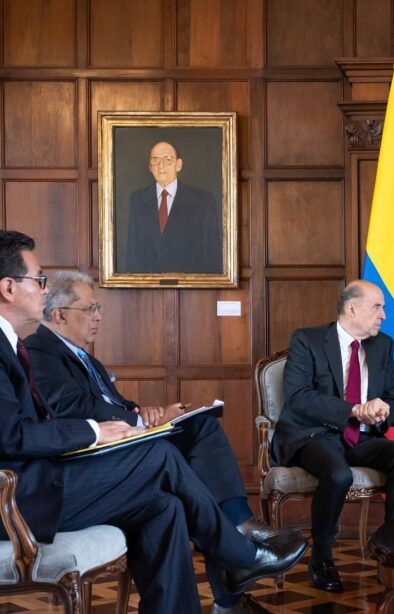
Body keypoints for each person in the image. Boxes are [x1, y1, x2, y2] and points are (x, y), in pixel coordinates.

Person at [0, 230, 307, 614]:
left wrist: (131, 420)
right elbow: (12, 435)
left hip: (40, 482)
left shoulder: (12, 344)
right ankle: (241, 556)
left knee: (165, 506)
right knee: (159, 456)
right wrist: (95, 431)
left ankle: (228, 566)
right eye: (38, 279)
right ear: (9, 288)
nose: (44, 290)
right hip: (16, 499)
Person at [271, 280, 394, 592]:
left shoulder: (383, 345)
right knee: (339, 474)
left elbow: (391, 398)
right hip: (315, 436)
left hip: (361, 437)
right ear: (352, 309)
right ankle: (322, 557)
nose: (384, 315)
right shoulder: (307, 340)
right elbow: (298, 398)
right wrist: (354, 410)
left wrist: (382, 412)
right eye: (377, 307)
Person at [123, 140, 222, 274]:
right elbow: (133, 254)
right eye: (155, 160)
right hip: (148, 284)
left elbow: (212, 257)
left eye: (167, 159)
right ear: (150, 167)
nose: (161, 165)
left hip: (191, 284)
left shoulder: (203, 201)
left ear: (178, 165)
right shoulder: (138, 199)